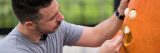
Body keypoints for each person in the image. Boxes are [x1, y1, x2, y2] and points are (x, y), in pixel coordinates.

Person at [0, 0, 129, 53]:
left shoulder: (54, 28)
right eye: (52, 17)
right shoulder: (13, 50)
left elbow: (96, 35)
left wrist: (121, 11)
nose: (61, 18)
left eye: (58, 10)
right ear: (30, 25)